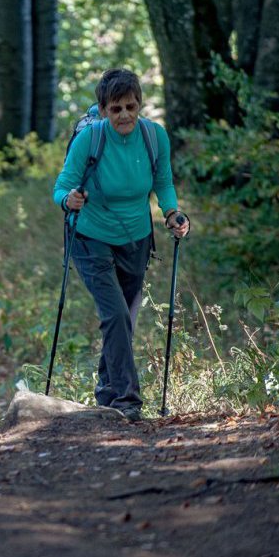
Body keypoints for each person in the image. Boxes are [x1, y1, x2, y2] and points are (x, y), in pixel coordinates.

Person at [52, 68, 190, 422]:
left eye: (130, 106)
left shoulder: (154, 136)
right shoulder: (90, 140)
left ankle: (106, 393)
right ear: (103, 110)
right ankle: (128, 401)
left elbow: (163, 181)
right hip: (90, 238)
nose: (125, 115)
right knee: (114, 315)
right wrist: (69, 200)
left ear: (140, 104)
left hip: (137, 239)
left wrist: (173, 212)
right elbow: (61, 187)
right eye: (116, 109)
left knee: (124, 320)